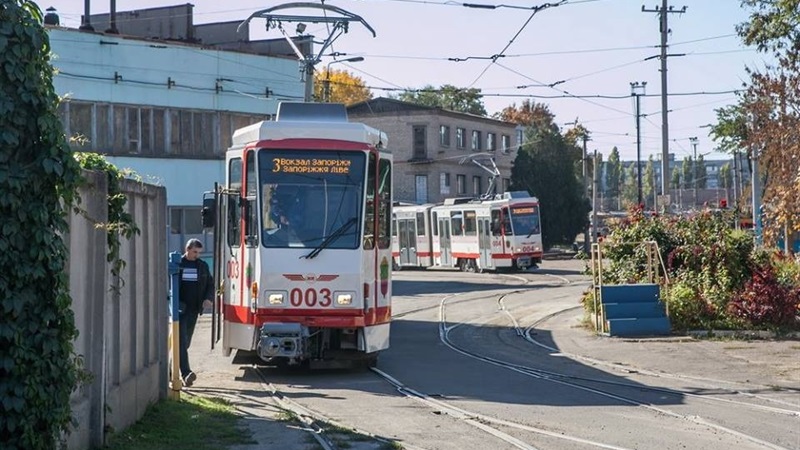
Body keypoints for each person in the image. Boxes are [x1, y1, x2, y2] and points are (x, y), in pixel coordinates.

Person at [178, 238, 213, 387]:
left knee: (185, 343)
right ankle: (186, 373)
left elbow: (210, 285)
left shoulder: (202, 266)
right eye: (194, 252)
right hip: (180, 310)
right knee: (181, 342)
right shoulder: (178, 264)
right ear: (187, 249)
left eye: (198, 252)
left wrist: (208, 299)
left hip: (194, 310)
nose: (196, 255)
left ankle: (171, 368)